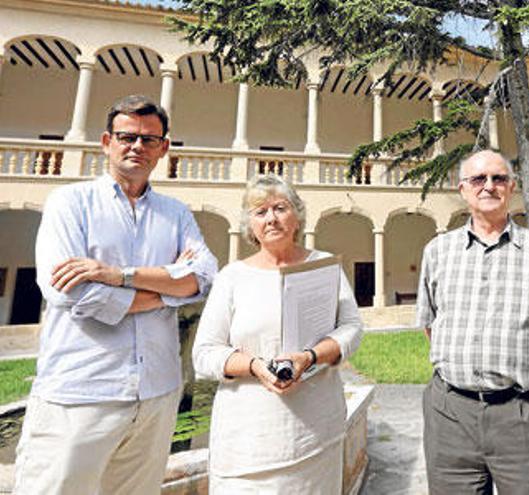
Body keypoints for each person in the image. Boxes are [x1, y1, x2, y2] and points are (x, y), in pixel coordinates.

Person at [15, 95, 218, 494]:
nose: (137, 146)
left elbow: (205, 277)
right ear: (107, 141)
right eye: (127, 137)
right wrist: (167, 291)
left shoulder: (176, 213)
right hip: (81, 393)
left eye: (148, 139)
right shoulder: (69, 204)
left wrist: (118, 275)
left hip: (156, 394)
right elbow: (73, 296)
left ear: (164, 149)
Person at [416, 150, 529, 494]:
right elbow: (431, 325)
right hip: (450, 415)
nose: (488, 186)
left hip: (523, 413)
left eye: (498, 178)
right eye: (478, 179)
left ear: (512, 187)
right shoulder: (437, 251)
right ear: (462, 188)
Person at [192, 174, 362, 493]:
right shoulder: (232, 277)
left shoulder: (323, 265)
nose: (271, 218)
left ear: (296, 216)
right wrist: (256, 366)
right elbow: (203, 354)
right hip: (248, 442)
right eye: (260, 211)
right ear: (250, 225)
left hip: (316, 433)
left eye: (280, 208)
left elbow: (352, 327)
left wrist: (309, 357)